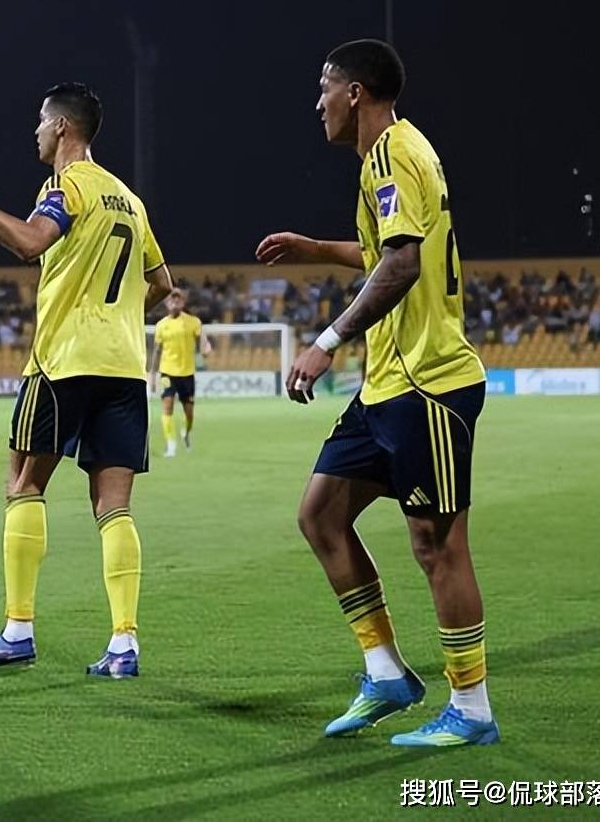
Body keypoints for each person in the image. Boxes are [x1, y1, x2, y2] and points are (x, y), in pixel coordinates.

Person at [255, 39, 497, 747]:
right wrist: (315, 248)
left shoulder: (392, 153)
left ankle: (472, 708)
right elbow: (385, 249)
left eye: (325, 87)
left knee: (438, 545)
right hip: (388, 384)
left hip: (429, 382)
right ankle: (385, 671)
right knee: (321, 516)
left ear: (355, 92)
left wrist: (326, 341)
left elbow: (403, 263)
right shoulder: (391, 157)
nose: (319, 103)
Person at [0, 82, 174, 678]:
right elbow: (162, 283)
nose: (35, 132)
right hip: (123, 367)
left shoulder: (66, 186)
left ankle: (17, 631)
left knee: (23, 484)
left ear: (61, 128)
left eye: (40, 122)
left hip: (64, 361)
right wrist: (117, 316)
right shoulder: (129, 200)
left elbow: (30, 243)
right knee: (114, 506)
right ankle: (124, 644)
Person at [151, 289, 211, 456]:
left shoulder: (193, 322)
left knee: (189, 412)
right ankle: (171, 445)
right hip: (167, 372)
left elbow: (202, 340)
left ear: (183, 303)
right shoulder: (161, 325)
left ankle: (186, 431)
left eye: (178, 300)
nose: (174, 302)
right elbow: (157, 350)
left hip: (186, 373)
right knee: (167, 407)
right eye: (172, 300)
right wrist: (152, 374)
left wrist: (206, 347)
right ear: (166, 303)